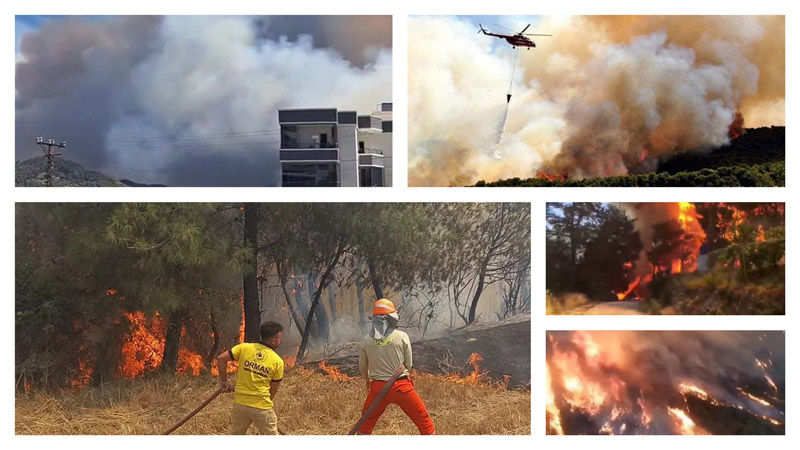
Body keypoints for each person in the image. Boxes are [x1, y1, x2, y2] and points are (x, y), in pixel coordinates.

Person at [357, 298, 435, 435]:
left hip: (378, 389)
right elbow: (409, 365)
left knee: (366, 423)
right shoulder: (402, 336)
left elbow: (363, 367)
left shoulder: (366, 340)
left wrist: (368, 381)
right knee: (423, 419)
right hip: (402, 387)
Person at [216, 321, 284, 435]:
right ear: (273, 339)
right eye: (279, 338)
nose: (280, 340)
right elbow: (273, 390)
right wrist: (262, 406)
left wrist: (224, 382)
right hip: (261, 406)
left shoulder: (244, 348)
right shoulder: (278, 361)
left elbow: (221, 358)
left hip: (240, 405)